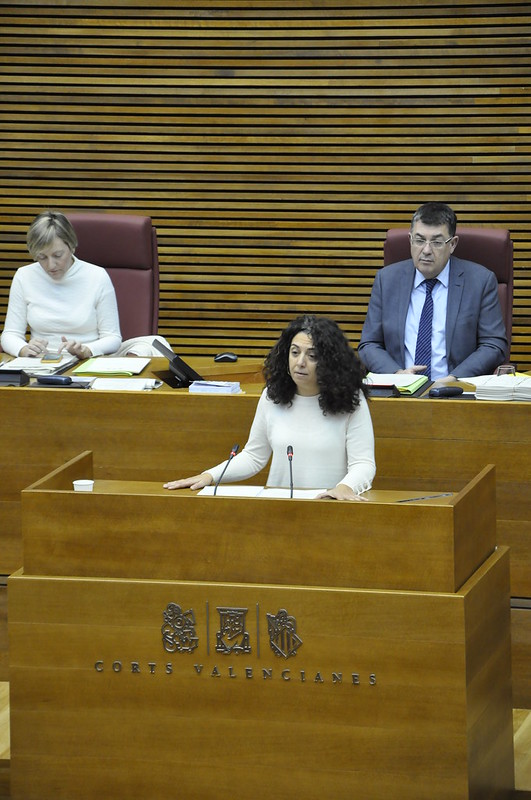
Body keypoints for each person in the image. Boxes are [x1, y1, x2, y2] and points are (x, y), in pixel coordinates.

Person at [164, 314, 376, 501]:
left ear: (330, 362)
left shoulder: (351, 400)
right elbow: (254, 457)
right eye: (295, 353)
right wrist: (209, 476)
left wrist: (343, 488)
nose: (300, 362)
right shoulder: (272, 396)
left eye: (312, 356)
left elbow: (364, 464)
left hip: (328, 506)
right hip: (279, 506)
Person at [358, 202, 508, 381]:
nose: (426, 250)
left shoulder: (480, 281)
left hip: (456, 392)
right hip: (399, 391)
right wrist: (397, 375)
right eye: (419, 240)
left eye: (436, 242)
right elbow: (369, 344)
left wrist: (455, 378)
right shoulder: (387, 280)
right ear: (410, 240)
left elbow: (493, 344)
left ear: (452, 244)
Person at [0, 210, 168, 359]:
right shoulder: (24, 276)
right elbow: (10, 334)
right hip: (41, 360)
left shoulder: (97, 276)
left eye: (58, 255)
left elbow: (112, 338)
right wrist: (22, 349)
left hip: (91, 358)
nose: (51, 265)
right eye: (42, 257)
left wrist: (87, 350)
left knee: (154, 343)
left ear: (72, 246)